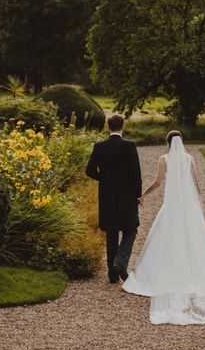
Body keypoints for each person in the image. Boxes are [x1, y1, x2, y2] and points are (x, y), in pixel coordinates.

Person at [122, 130, 205, 325]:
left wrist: (144, 194)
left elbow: (158, 182)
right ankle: (194, 274)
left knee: (167, 240)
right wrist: (197, 200)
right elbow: (195, 182)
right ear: (181, 142)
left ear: (168, 142)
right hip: (189, 206)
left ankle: (165, 274)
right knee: (194, 239)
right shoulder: (189, 159)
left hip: (171, 206)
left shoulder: (164, 159)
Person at [85, 114, 141, 284]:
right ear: (122, 126)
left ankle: (113, 273)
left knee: (111, 232)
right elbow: (136, 173)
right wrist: (138, 194)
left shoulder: (99, 146)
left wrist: (104, 179)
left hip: (107, 196)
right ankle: (120, 262)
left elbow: (89, 170)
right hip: (127, 195)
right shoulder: (129, 145)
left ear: (108, 127)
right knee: (131, 228)